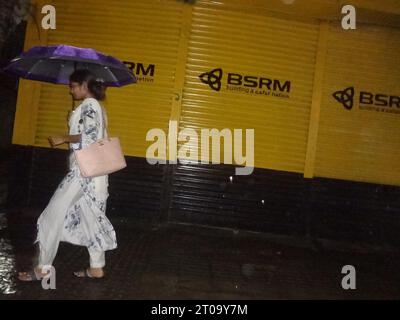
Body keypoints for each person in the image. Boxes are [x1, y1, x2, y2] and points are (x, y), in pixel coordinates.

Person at [18, 69, 117, 281]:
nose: (70, 90)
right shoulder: (96, 107)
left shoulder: (90, 106)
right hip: (97, 175)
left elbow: (88, 138)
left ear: (84, 86)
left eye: (73, 86)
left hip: (83, 173)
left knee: (50, 216)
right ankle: (97, 268)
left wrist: (64, 137)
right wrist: (73, 120)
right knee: (93, 219)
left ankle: (43, 269)